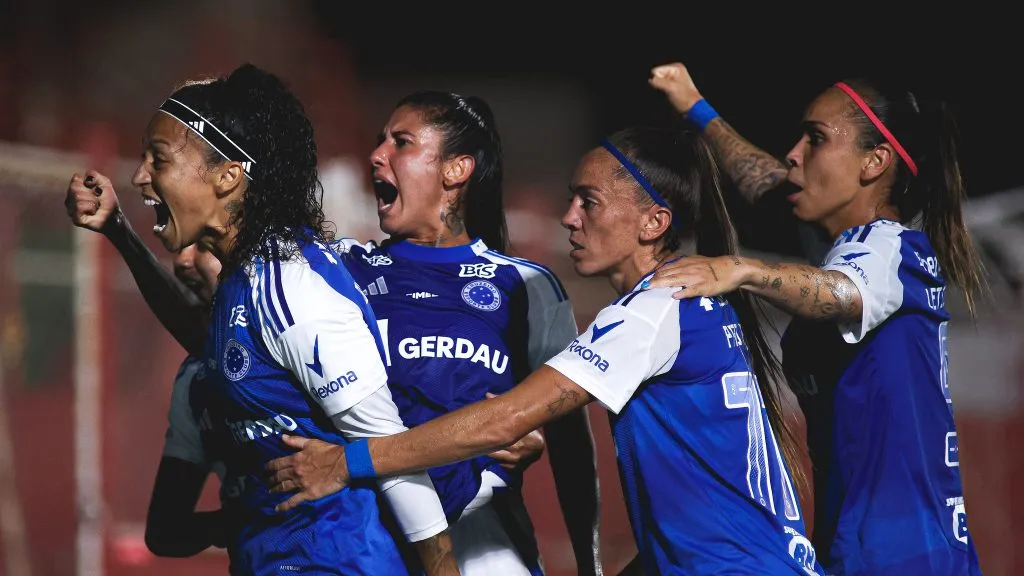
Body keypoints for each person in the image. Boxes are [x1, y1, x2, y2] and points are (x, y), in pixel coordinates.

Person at [265, 126, 824, 575]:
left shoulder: (654, 309)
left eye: (590, 202)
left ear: (655, 222)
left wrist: (347, 461)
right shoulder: (697, 305)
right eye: (571, 199)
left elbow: (504, 419)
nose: (568, 218)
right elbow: (707, 511)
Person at [64, 63, 458, 576]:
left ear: (228, 175)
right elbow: (213, 350)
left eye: (158, 158)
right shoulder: (246, 280)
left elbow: (392, 457)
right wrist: (119, 231)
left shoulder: (295, 288)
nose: (140, 175)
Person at [646, 62, 985, 575]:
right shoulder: (845, 245)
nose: (793, 154)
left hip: (905, 556)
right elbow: (761, 178)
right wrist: (695, 106)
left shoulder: (890, 248)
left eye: (816, 139)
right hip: (860, 546)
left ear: (875, 163)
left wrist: (740, 269)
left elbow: (841, 293)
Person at [333, 90, 601, 576]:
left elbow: (570, 445)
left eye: (402, 143)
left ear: (456, 171)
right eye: (380, 142)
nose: (377, 155)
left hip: (482, 540)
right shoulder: (342, 271)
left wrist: (591, 566)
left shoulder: (527, 285)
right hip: (366, 538)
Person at [144, 242, 229, 557]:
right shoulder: (196, 377)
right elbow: (164, 531)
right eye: (176, 244)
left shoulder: (307, 323)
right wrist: (239, 522)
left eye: (203, 242)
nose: (182, 261)